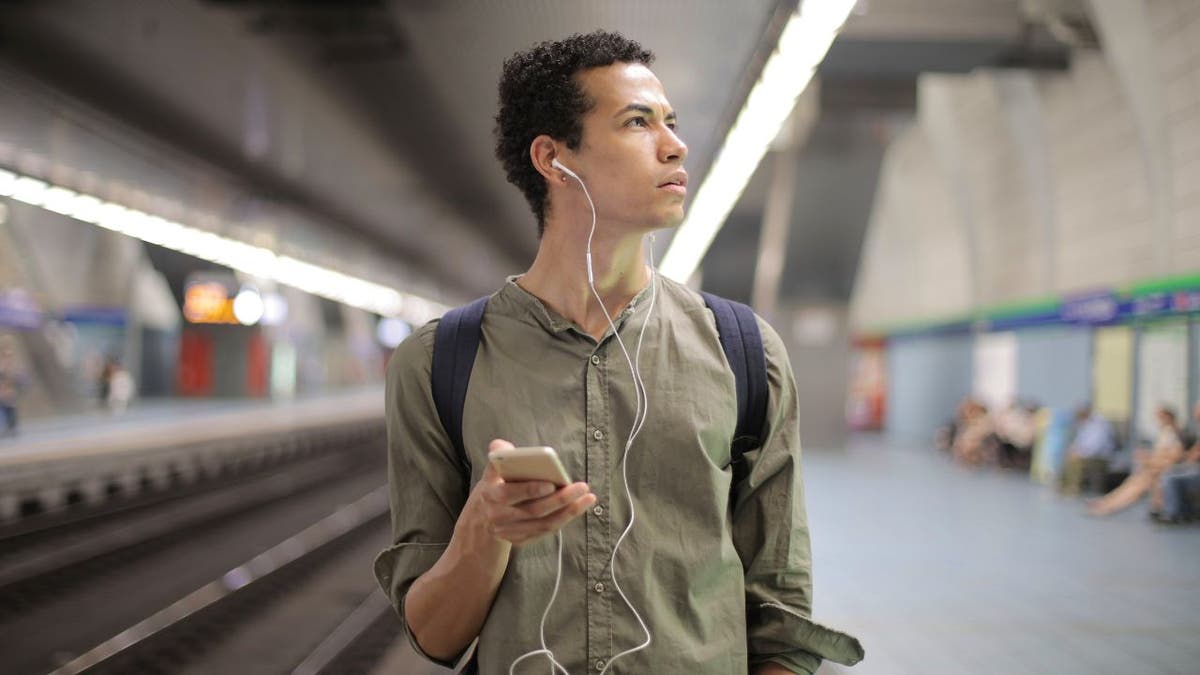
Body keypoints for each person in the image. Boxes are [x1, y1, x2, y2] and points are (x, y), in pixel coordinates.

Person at [373, 31, 862, 675]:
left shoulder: (744, 352)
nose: (674, 144)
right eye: (637, 122)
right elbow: (434, 636)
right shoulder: (440, 363)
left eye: (671, 122)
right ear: (554, 158)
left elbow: (781, 612)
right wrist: (484, 531)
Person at [1088, 405, 1183, 517]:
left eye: (1160, 417)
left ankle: (1110, 506)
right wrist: (1147, 458)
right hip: (1155, 466)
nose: (1158, 420)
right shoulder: (1165, 432)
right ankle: (1107, 502)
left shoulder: (1173, 434)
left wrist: (1150, 461)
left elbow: (1175, 456)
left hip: (1162, 468)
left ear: (1168, 417)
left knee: (1138, 486)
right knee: (1132, 482)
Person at [1154, 402, 1200, 524]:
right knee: (1164, 473)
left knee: (1170, 477)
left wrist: (1183, 459)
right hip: (1193, 467)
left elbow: (1193, 456)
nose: (1195, 414)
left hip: (1196, 470)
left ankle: (1172, 513)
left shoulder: (1180, 432)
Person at [1059, 404, 1116, 496]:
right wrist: (1074, 450)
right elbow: (1080, 442)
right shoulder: (1085, 424)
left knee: (1075, 461)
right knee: (1069, 457)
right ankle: (1064, 486)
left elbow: (1097, 446)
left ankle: (1073, 488)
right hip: (1089, 454)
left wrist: (1080, 453)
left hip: (1100, 456)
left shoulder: (1099, 424)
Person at [0, 338, 27, 436]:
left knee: (10, 409)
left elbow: (16, 377)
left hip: (8, 392)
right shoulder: (3, 363)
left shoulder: (13, 364)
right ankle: (9, 428)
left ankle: (12, 428)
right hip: (4, 391)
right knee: (5, 409)